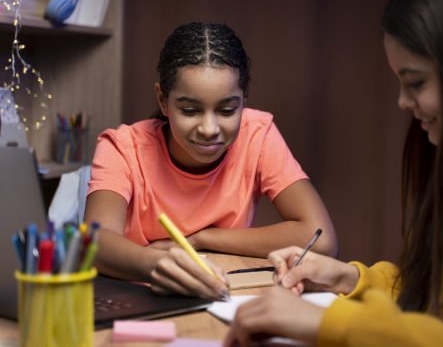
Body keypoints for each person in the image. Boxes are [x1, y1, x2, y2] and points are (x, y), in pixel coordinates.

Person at [224, 0, 443, 345]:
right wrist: (349, 278)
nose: (402, 102)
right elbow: (442, 300)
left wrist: (331, 322)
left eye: (416, 83)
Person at [84, 22, 337, 300]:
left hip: (218, 292)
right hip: (139, 295)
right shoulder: (122, 148)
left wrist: (200, 239)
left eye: (228, 110)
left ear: (244, 100)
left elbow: (321, 239)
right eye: (190, 110)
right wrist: (159, 265)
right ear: (163, 99)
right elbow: (96, 242)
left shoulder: (258, 135)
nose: (209, 128)